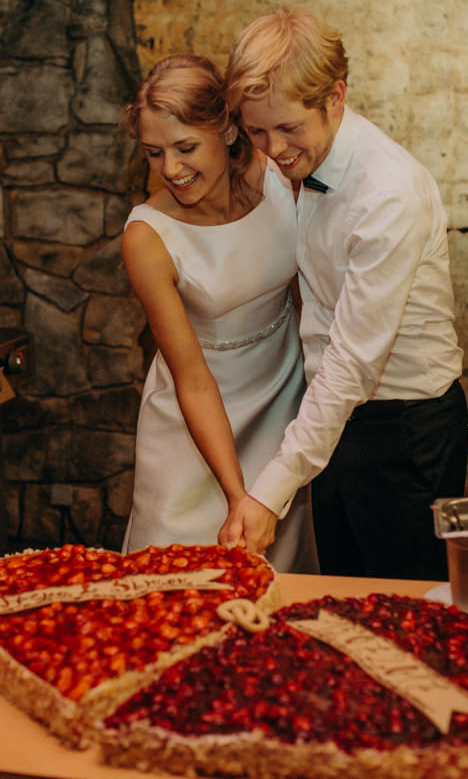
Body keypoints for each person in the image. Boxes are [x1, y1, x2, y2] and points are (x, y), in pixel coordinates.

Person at [219, 9, 468, 580]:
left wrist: (270, 491)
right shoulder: (296, 156)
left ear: (335, 96)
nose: (273, 150)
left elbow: (355, 361)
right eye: (257, 131)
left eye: (287, 129)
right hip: (335, 418)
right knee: (342, 599)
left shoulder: (387, 193)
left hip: (404, 432)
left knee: (403, 616)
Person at [119, 54, 318, 573]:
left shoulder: (280, 176)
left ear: (228, 130)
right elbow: (192, 379)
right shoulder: (147, 237)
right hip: (194, 421)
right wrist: (236, 494)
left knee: (278, 590)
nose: (172, 170)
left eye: (186, 148)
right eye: (154, 153)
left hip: (282, 404)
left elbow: (312, 291)